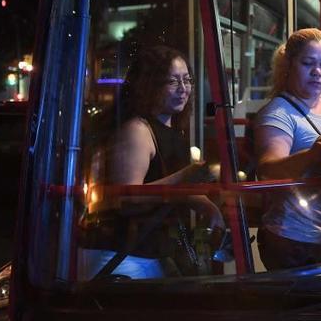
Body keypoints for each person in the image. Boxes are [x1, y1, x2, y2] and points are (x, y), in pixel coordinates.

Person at [79, 45, 223, 280]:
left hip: (148, 251)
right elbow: (127, 197)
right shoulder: (137, 130)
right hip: (122, 255)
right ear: (148, 86)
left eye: (187, 80)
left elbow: (168, 186)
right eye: (172, 81)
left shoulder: (169, 128)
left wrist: (208, 206)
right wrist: (185, 177)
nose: (183, 89)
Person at [253, 28, 321, 270]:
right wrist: (311, 155)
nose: (317, 72)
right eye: (308, 63)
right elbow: (268, 171)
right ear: (289, 64)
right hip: (292, 239)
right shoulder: (278, 114)